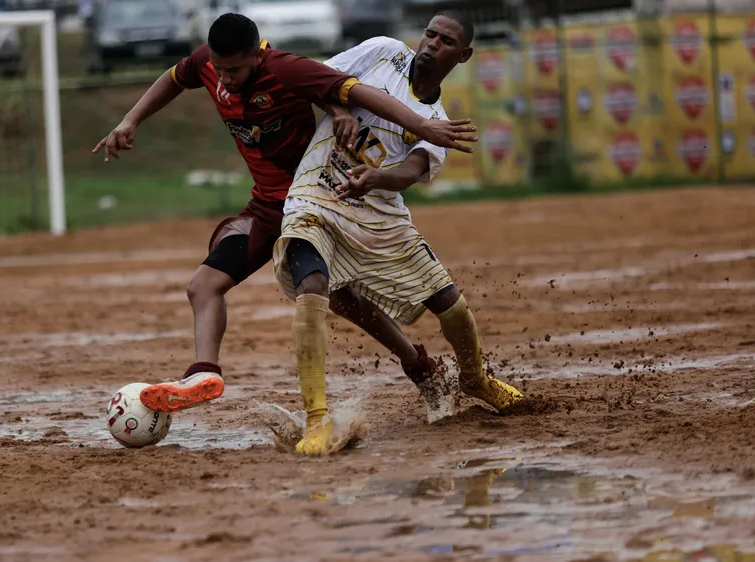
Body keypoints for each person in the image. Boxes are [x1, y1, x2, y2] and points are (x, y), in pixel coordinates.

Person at [92, 14, 479, 414]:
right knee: (203, 286)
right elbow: (174, 78)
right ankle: (204, 372)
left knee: (337, 295)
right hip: (267, 205)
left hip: (317, 201)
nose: (223, 79)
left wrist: (403, 123)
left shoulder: (284, 68)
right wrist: (130, 120)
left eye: (234, 70)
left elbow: (346, 89)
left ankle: (411, 370)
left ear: (256, 57)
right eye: (218, 70)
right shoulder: (209, 63)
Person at [272, 11, 525, 456]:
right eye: (429, 33)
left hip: (380, 215)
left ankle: (475, 380)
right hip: (316, 195)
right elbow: (318, 80)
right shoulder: (382, 51)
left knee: (451, 306)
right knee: (314, 287)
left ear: (462, 56)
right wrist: (337, 109)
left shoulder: (436, 118)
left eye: (445, 41)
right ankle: (317, 419)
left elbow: (411, 171)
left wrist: (376, 178)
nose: (431, 44)